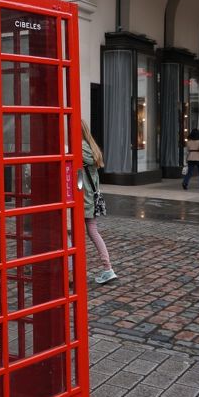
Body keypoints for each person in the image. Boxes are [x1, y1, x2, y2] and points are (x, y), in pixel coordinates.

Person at [81, 119, 117, 285]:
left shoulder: (78, 147)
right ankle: (108, 268)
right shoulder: (92, 146)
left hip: (82, 197)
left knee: (74, 234)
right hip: (93, 197)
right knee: (93, 232)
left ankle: (74, 271)